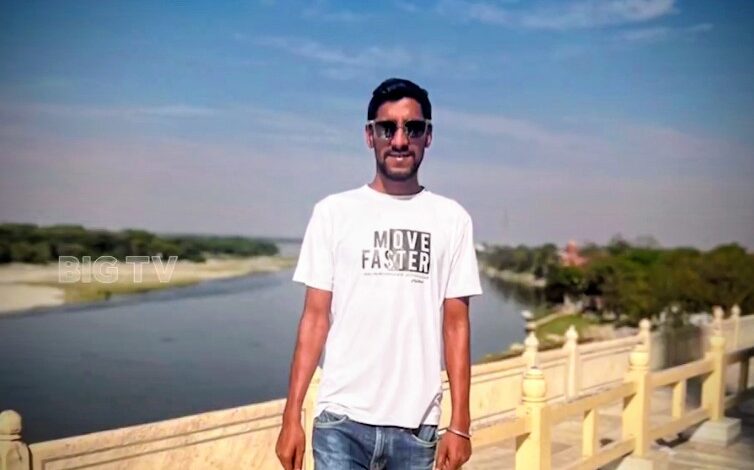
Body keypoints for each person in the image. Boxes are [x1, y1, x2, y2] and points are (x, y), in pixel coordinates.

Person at [275, 78, 482, 470]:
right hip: (341, 424)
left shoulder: (452, 219)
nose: (400, 140)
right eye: (388, 128)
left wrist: (461, 424)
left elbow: (456, 325)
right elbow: (315, 318)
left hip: (417, 431)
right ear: (370, 135)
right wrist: (291, 416)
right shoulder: (333, 213)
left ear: (428, 136)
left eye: (413, 128)